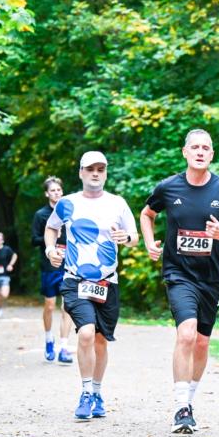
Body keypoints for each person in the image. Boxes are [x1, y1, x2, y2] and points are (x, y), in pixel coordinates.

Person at [139, 129, 219, 437]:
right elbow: (147, 214)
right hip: (178, 273)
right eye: (195, 147)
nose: (200, 152)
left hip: (210, 278)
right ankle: (181, 408)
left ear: (212, 155)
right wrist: (149, 243)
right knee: (186, 334)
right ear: (185, 152)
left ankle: (189, 401)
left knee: (201, 342)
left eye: (206, 148)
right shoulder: (168, 187)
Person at [45, 151, 138, 421]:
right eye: (90, 169)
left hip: (107, 282)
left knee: (100, 340)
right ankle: (85, 393)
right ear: (81, 173)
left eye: (101, 169)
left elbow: (134, 237)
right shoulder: (66, 203)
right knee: (85, 333)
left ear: (106, 173)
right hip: (75, 280)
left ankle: (97, 392)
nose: (96, 173)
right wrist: (51, 249)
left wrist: (126, 237)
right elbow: (52, 228)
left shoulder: (118, 203)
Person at [32, 177, 74, 364]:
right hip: (49, 265)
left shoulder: (70, 212)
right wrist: (51, 240)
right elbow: (34, 239)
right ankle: (49, 339)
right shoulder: (41, 215)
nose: (56, 193)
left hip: (69, 264)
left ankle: (64, 348)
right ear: (47, 193)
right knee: (50, 305)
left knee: (67, 306)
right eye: (53, 190)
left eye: (59, 190)